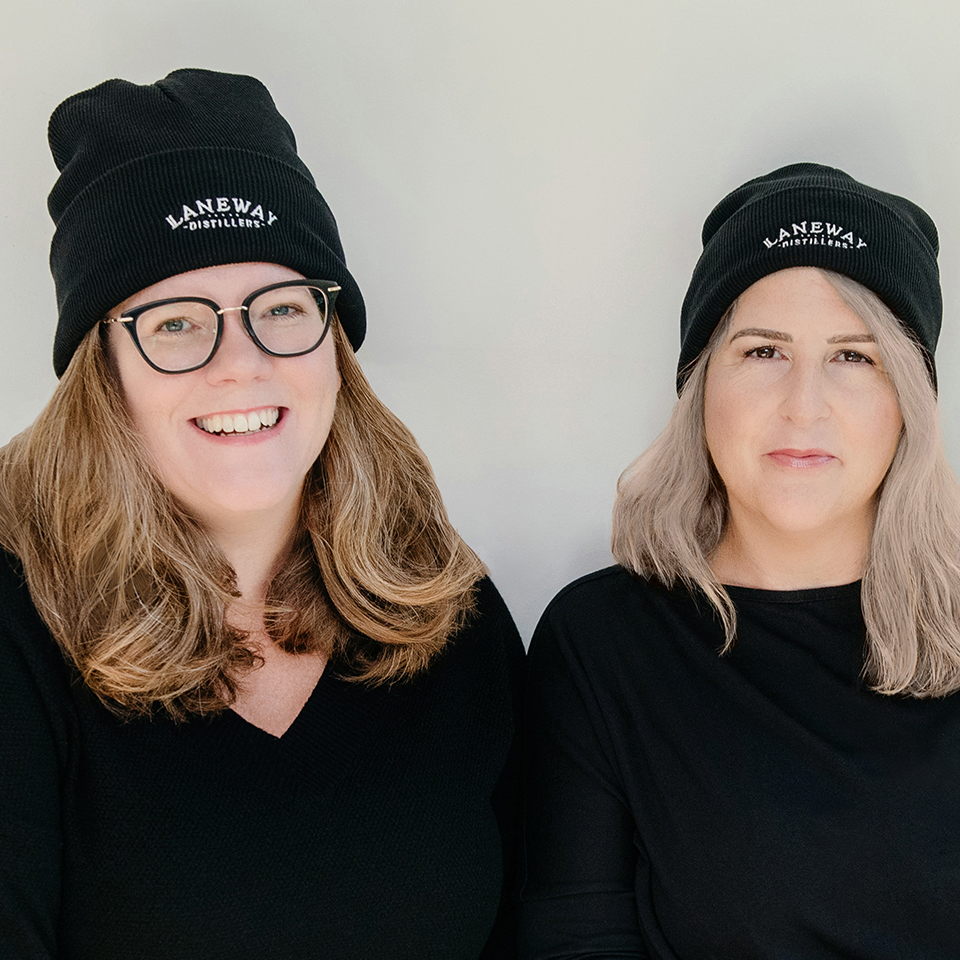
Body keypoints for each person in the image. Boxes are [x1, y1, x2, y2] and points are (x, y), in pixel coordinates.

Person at [0, 69, 523, 960]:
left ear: (334, 340)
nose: (240, 363)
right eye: (175, 322)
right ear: (103, 369)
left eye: (281, 308)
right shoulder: (18, 621)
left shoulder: (444, 611)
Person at [518, 163, 960, 958]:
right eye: (763, 351)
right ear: (700, 384)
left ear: (910, 406)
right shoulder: (604, 642)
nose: (804, 403)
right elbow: (572, 939)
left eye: (856, 357)